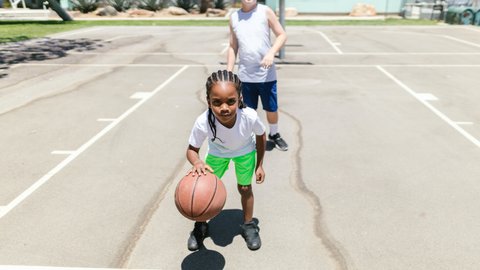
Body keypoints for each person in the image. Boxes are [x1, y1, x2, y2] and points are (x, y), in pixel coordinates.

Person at [186, 70, 266, 251]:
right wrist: (197, 162)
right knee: (202, 190)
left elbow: (261, 136)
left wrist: (259, 164)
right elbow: (192, 150)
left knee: (245, 188)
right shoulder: (203, 121)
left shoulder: (249, 116)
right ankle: (200, 226)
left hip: (244, 151)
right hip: (217, 154)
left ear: (239, 98)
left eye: (231, 101)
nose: (224, 108)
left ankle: (248, 224)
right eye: (217, 102)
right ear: (208, 102)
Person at [227, 0, 288, 151]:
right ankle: (251, 138)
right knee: (248, 111)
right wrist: (229, 71)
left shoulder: (265, 11)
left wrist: (271, 53)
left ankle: (274, 134)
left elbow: (281, 35)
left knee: (271, 108)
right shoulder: (234, 17)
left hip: (266, 74)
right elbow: (232, 46)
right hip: (245, 75)